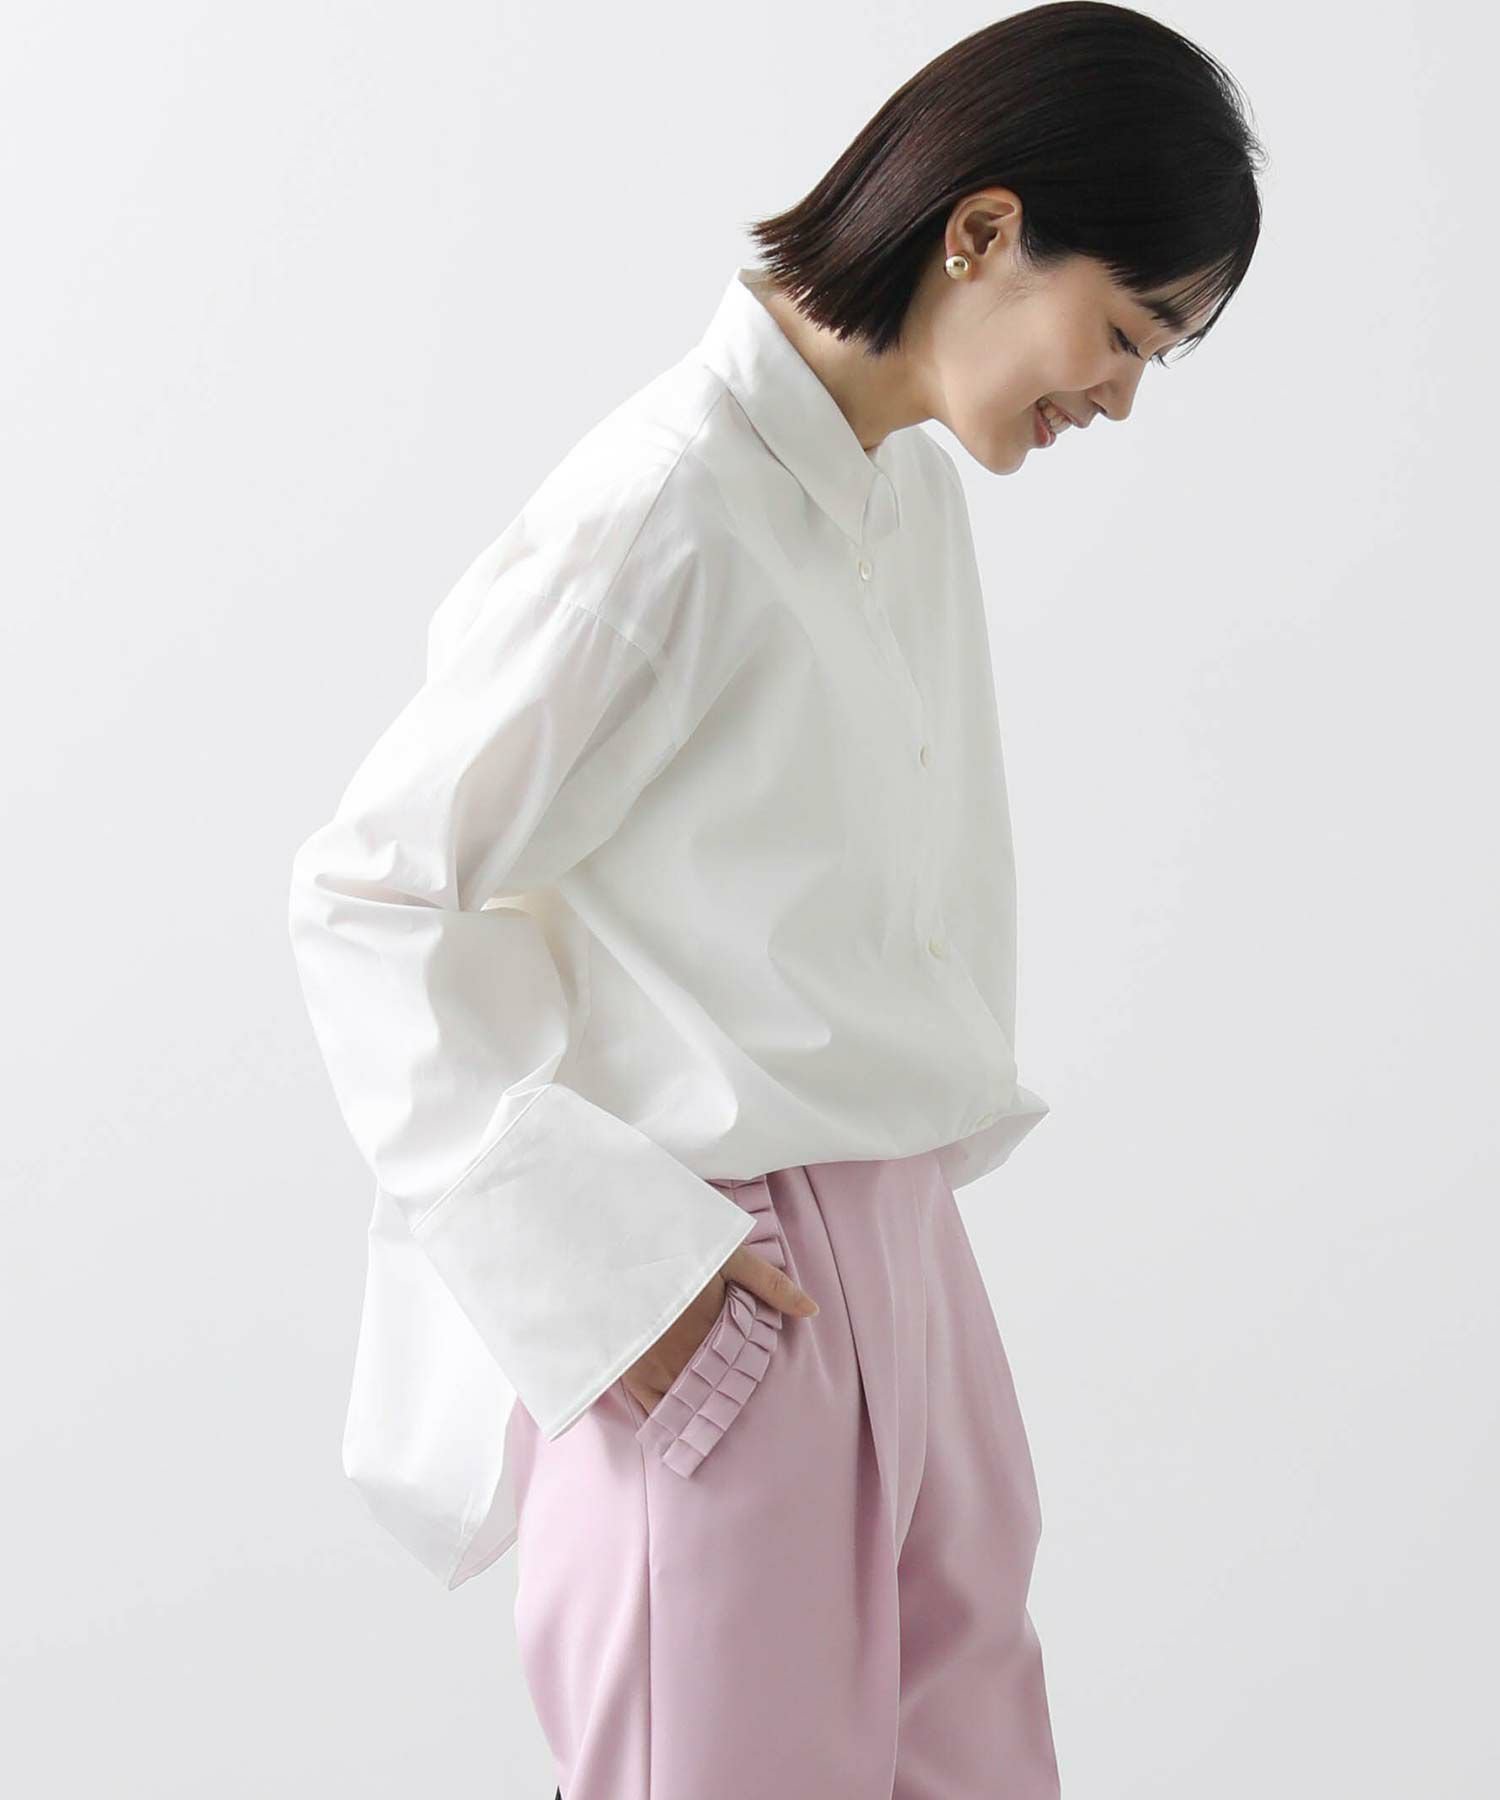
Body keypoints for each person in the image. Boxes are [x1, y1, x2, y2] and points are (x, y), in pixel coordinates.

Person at [286, 5, 1264, 1794]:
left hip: (906, 1253)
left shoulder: (897, 499)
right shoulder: (667, 507)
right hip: (719, 1272)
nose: (1121, 396)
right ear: (982, 231)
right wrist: (615, 1281)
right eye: (1126, 332)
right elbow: (371, 893)